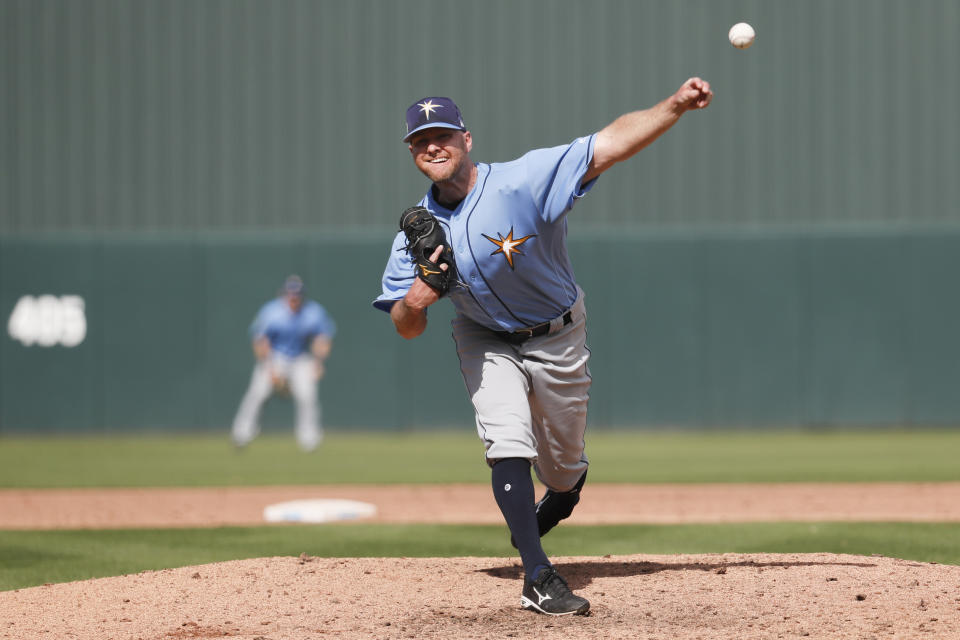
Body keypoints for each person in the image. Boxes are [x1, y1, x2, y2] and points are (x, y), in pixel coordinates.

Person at [374, 80, 712, 615]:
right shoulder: (415, 236)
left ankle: (560, 496)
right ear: (411, 151)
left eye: (442, 136)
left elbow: (610, 144)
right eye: (421, 140)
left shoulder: (522, 181)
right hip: (483, 338)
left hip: (558, 334)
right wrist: (413, 303)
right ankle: (537, 575)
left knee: (562, 471)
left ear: (466, 139)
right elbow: (404, 326)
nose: (432, 147)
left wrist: (673, 106)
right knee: (507, 440)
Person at [232, 275, 336, 452]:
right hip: (275, 357)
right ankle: (241, 434)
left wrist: (318, 362)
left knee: (307, 396)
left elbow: (323, 338)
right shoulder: (271, 312)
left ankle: (309, 440)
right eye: (290, 294)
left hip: (300, 359)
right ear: (284, 294)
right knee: (258, 393)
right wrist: (270, 368)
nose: (294, 298)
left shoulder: (313, 312)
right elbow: (260, 341)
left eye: (297, 295)